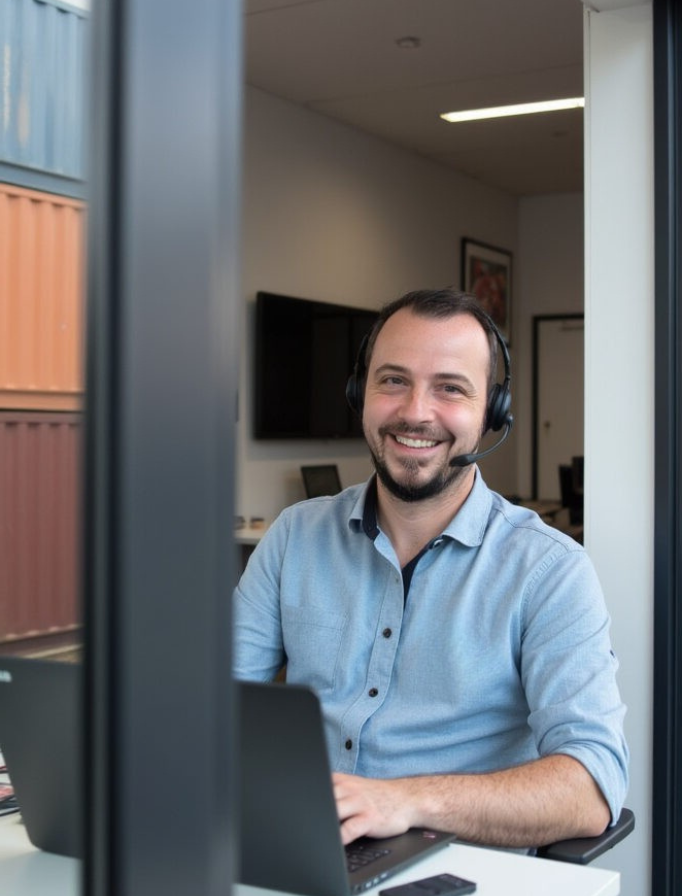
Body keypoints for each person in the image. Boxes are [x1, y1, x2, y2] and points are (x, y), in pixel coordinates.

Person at [233, 287, 628, 850]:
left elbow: (592, 785)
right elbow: (215, 705)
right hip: (299, 854)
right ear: (359, 392)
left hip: (458, 873)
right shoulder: (294, 537)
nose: (415, 412)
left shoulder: (550, 570)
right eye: (393, 380)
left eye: (450, 388)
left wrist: (406, 799)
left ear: (492, 413)